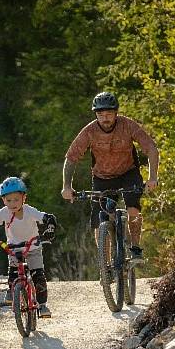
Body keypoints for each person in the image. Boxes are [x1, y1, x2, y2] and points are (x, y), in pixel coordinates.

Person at [60, 91, 159, 260]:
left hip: (128, 173)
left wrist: (152, 177)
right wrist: (67, 186)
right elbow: (71, 158)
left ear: (116, 113)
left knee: (133, 208)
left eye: (109, 114)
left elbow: (151, 148)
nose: (105, 118)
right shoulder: (89, 131)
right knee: (100, 219)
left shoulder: (127, 125)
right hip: (102, 178)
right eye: (100, 115)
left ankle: (135, 248)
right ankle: (104, 265)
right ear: (96, 115)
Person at [0, 176, 57, 318]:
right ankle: (13, 290)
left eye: (16, 199)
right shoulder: (4, 212)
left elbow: (48, 218)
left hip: (32, 247)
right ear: (3, 200)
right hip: (14, 248)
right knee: (14, 273)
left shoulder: (29, 211)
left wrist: (50, 229)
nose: (12, 203)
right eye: (8, 200)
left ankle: (42, 306)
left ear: (24, 198)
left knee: (38, 276)